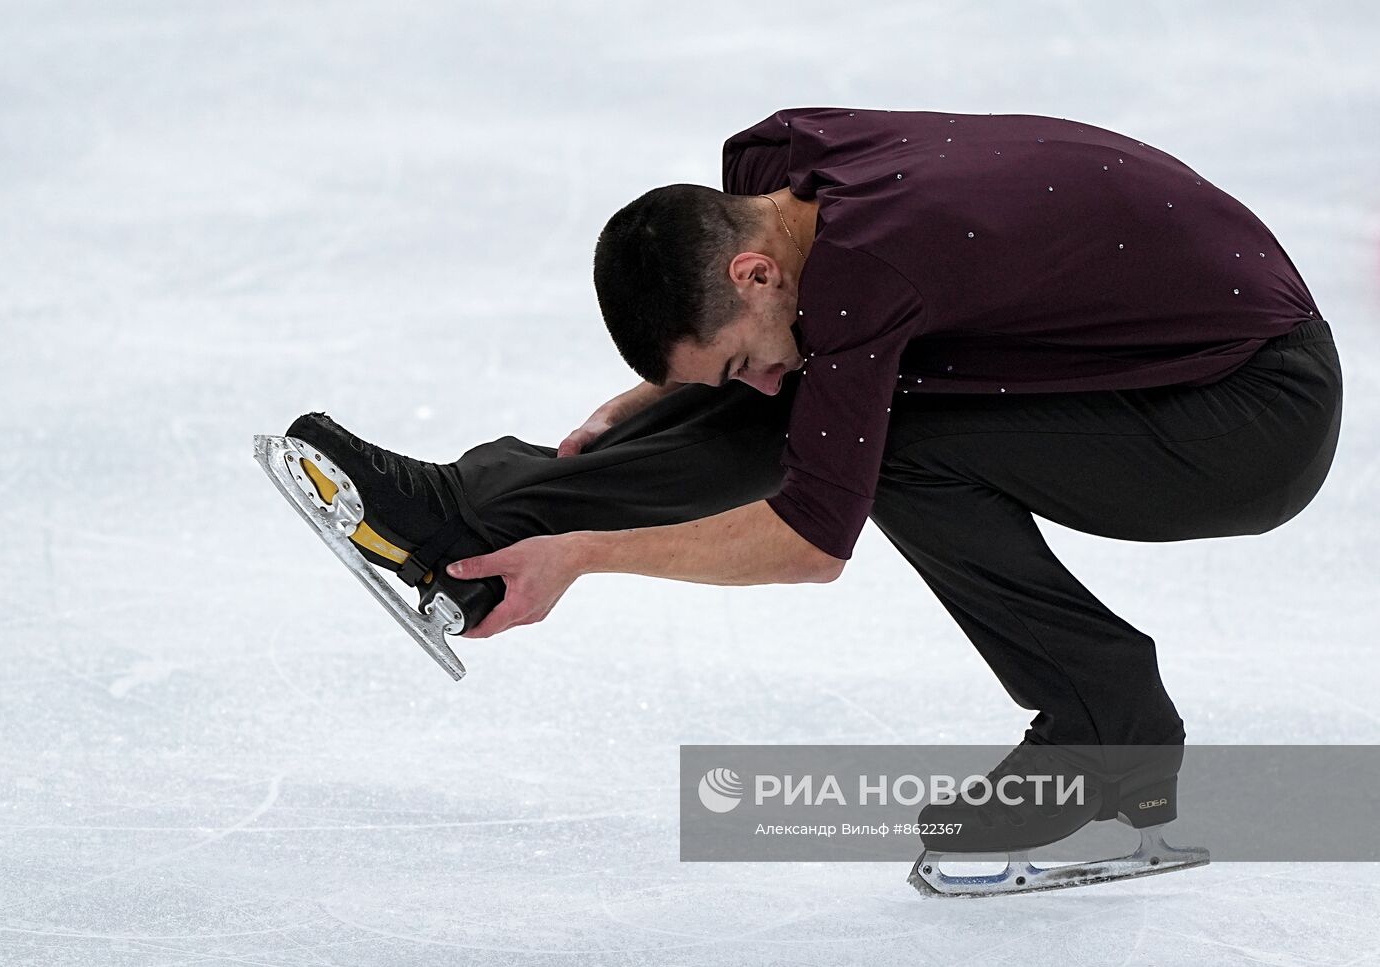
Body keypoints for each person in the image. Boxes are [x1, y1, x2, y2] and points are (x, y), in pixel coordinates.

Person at [283, 108, 1342, 867]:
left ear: (749, 273)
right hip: (1140, 349)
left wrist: (587, 552)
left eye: (730, 350)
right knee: (804, 377)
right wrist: (663, 388)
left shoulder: (870, 265)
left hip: (1247, 416)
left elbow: (808, 541)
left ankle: (1105, 741)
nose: (749, 375)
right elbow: (785, 347)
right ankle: (468, 514)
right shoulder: (776, 168)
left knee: (890, 439)